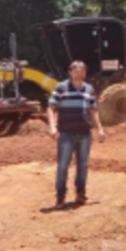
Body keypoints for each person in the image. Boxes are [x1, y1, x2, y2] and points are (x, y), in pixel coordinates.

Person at [47, 61, 106, 209]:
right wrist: (52, 127)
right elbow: (51, 107)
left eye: (82, 71)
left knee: (83, 165)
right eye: (77, 71)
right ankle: (60, 197)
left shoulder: (89, 89)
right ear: (70, 72)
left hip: (85, 134)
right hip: (66, 134)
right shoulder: (61, 87)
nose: (80, 73)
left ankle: (80, 193)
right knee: (62, 166)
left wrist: (100, 129)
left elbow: (93, 109)